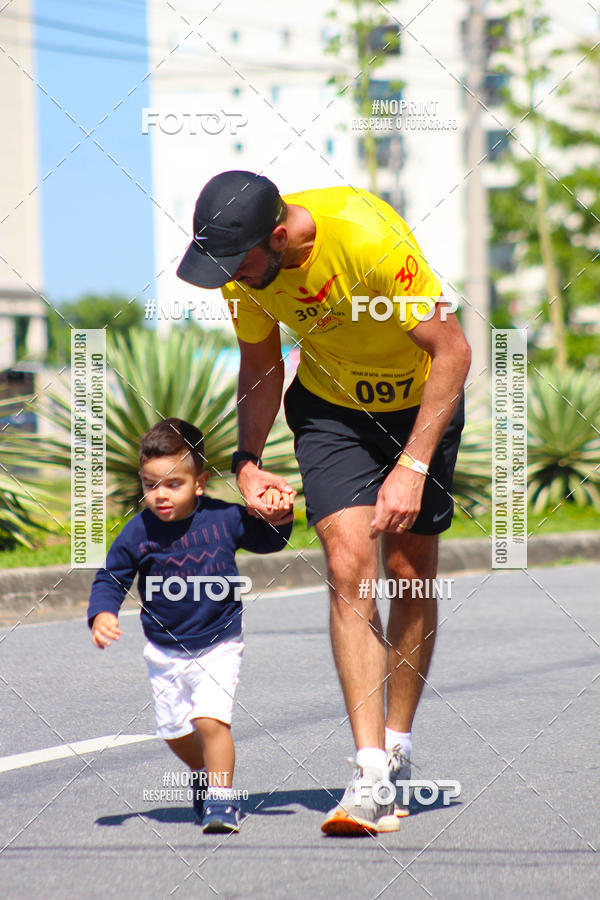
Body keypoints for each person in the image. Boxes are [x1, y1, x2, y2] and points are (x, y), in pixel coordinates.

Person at [177, 171, 471, 836]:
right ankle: (368, 773)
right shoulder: (242, 272)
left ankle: (398, 746)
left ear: (277, 235)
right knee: (348, 568)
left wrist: (413, 465)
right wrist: (247, 463)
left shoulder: (368, 239)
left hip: (419, 405)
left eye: (240, 259)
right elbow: (261, 364)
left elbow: (452, 353)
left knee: (409, 572)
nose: (231, 274)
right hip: (333, 410)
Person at [87, 417, 292, 833]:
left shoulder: (223, 518)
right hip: (164, 650)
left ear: (199, 482)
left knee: (210, 721)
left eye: (172, 484)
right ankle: (204, 771)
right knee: (176, 733)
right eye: (150, 485)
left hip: (219, 642)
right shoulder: (137, 532)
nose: (159, 495)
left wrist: (280, 515)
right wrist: (102, 613)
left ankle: (221, 801)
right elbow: (111, 577)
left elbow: (269, 540)